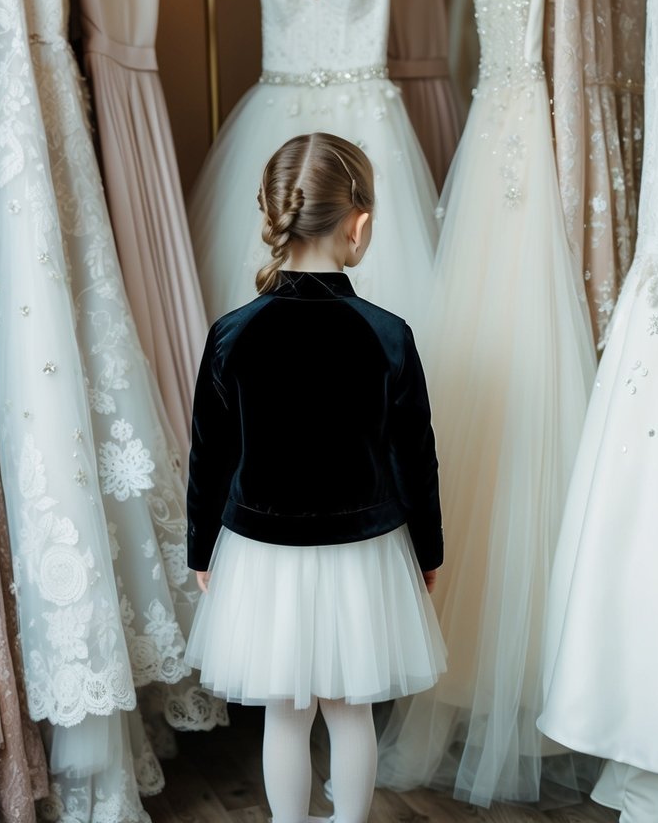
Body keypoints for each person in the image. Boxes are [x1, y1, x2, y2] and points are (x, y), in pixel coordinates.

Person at [185, 130, 447, 823]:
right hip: (362, 553)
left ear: (275, 215)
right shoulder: (386, 333)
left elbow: (208, 454)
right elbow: (414, 455)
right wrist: (427, 551)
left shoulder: (231, 333)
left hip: (260, 552)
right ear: (357, 224)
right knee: (350, 710)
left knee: (286, 713)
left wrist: (200, 550)